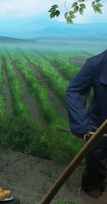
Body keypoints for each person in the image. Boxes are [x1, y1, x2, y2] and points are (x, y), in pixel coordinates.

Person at [66, 49, 107, 198]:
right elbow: (74, 91)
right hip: (99, 128)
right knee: (93, 184)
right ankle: (93, 186)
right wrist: (81, 126)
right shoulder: (95, 64)